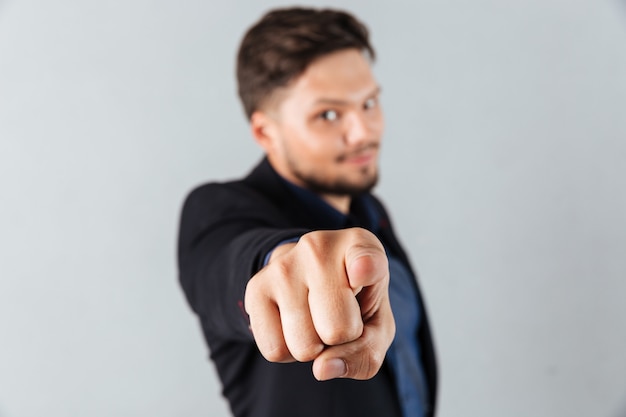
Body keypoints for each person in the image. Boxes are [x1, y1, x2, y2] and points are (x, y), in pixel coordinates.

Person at [178, 7, 437, 417]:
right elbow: (234, 262)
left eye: (369, 103)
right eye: (328, 114)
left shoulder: (372, 213)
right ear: (266, 132)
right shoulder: (218, 208)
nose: (364, 132)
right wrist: (280, 263)